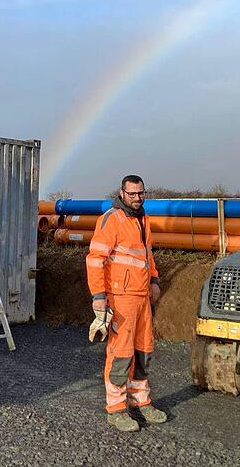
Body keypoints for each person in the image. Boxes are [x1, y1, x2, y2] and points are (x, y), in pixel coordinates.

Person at [86, 174, 166, 432]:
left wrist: (154, 280)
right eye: (132, 193)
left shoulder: (143, 219)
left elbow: (147, 254)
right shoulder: (111, 219)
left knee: (143, 351)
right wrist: (99, 296)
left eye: (141, 193)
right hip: (121, 298)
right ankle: (117, 409)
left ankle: (141, 402)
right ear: (122, 193)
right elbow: (96, 258)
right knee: (120, 354)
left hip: (141, 296)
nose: (137, 198)